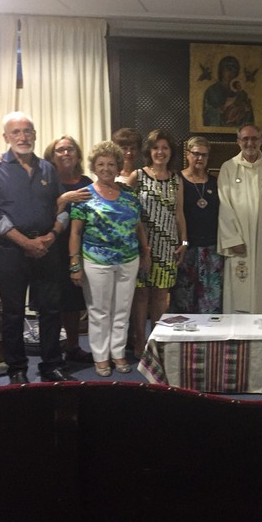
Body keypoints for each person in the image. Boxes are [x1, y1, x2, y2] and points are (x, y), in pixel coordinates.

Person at [0, 111, 75, 383]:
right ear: (6, 137)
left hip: (47, 249)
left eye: (27, 131)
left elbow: (63, 209)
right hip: (11, 251)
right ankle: (17, 369)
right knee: (12, 313)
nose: (23, 137)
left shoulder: (47, 169)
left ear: (35, 134)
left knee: (51, 310)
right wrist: (25, 242)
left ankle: (51, 365)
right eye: (16, 132)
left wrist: (51, 236)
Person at [69, 142, 151, 376]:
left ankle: (118, 353)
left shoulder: (129, 194)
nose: (106, 168)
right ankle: (101, 357)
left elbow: (138, 225)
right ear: (94, 167)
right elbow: (75, 233)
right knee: (100, 312)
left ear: (118, 167)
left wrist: (145, 251)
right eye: (101, 164)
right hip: (96, 261)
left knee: (122, 310)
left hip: (128, 260)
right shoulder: (84, 195)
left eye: (111, 164)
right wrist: (74, 264)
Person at [126, 129, 187, 353]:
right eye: (156, 148)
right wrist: (142, 247)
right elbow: (128, 211)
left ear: (171, 152)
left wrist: (184, 242)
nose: (160, 152)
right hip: (143, 245)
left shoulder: (176, 179)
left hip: (167, 246)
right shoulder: (137, 176)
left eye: (165, 148)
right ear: (149, 151)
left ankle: (156, 342)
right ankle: (139, 341)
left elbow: (179, 214)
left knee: (161, 296)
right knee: (141, 295)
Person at [217, 124, 262, 313]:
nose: (250, 143)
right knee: (238, 285)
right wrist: (233, 238)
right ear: (238, 141)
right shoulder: (228, 167)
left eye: (254, 139)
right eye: (245, 139)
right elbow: (224, 205)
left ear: (261, 140)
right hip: (239, 238)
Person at [43, 136, 93, 365]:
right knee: (53, 302)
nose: (65, 154)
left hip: (80, 248)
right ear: (52, 156)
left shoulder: (86, 181)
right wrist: (64, 199)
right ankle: (52, 353)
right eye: (60, 150)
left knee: (73, 302)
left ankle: (73, 347)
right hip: (52, 246)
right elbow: (40, 212)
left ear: (78, 154)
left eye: (70, 149)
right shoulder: (46, 181)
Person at [170, 136, 224, 314]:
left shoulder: (214, 182)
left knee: (211, 300)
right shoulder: (177, 179)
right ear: (188, 154)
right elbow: (178, 214)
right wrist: (184, 242)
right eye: (196, 154)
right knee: (184, 300)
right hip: (188, 248)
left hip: (211, 248)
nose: (200, 158)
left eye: (204, 155)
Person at [203, 55, 255, 129]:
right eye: (228, 69)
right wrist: (221, 110)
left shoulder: (242, 93)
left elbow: (249, 119)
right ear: (221, 71)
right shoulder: (212, 91)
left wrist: (243, 109)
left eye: (234, 71)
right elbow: (207, 115)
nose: (230, 73)